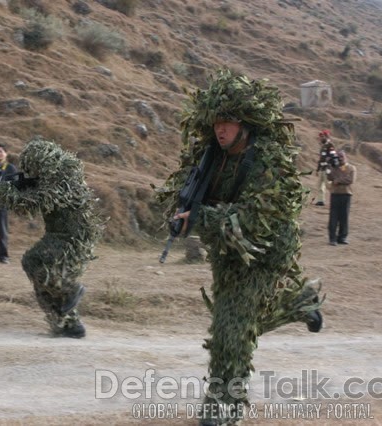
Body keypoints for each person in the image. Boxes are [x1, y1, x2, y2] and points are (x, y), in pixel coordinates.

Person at [157, 69, 323, 425]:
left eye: (229, 123)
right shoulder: (209, 158)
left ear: (245, 124)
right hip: (227, 254)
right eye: (217, 122)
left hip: (266, 251)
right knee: (233, 323)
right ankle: (298, 303)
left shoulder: (268, 159)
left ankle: (224, 408)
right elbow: (186, 194)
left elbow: (254, 217)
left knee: (231, 328)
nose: (221, 129)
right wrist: (181, 209)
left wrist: (199, 218)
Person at [0, 137, 104, 338]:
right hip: (59, 234)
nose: (31, 173)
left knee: (39, 265)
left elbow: (37, 202)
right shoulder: (49, 177)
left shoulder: (64, 176)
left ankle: (71, 290)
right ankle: (68, 324)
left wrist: (7, 192)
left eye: (34, 168)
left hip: (74, 236)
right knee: (37, 268)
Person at [327, 150, 356, 245]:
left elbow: (350, 179)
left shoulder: (351, 168)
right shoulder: (334, 168)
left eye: (341, 157)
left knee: (344, 217)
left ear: (345, 157)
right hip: (335, 194)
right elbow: (329, 177)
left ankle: (342, 237)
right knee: (333, 217)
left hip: (346, 194)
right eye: (338, 157)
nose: (340, 159)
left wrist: (338, 180)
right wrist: (328, 166)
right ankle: (332, 238)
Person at [314, 130, 336, 206]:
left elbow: (333, 156)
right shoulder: (322, 147)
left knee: (328, 185)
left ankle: (335, 199)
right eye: (320, 137)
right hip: (322, 168)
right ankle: (320, 201)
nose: (320, 138)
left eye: (322, 137)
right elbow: (320, 159)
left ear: (326, 137)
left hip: (328, 168)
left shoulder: (330, 145)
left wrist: (329, 161)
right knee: (320, 185)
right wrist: (317, 169)